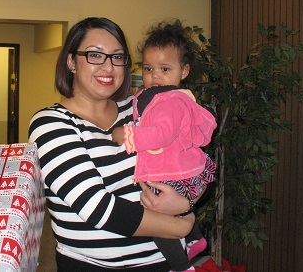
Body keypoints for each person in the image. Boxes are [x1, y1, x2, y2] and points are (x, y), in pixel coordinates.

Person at [28, 17, 196, 271]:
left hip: (166, 261)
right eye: (95, 55)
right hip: (94, 266)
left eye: (117, 57)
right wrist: (182, 225)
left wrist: (187, 201)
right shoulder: (51, 123)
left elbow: (190, 158)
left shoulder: (141, 108)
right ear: (71, 61)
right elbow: (97, 208)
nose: (108, 67)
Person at [111, 20, 218, 272]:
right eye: (148, 68)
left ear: (184, 71)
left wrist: (125, 134)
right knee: (168, 215)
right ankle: (195, 238)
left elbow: (159, 135)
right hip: (178, 170)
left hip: (169, 174)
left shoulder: (170, 102)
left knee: (158, 223)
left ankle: (182, 266)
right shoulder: (159, 97)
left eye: (165, 68)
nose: (155, 75)